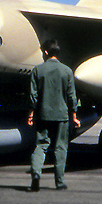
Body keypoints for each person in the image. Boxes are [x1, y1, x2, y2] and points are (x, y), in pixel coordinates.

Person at [27, 39, 79, 191]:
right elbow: (71, 96)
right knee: (61, 147)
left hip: (43, 114)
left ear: (46, 52)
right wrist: (73, 115)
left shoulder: (37, 70)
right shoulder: (67, 71)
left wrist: (31, 113)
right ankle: (59, 182)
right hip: (61, 116)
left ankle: (36, 174)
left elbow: (33, 95)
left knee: (41, 146)